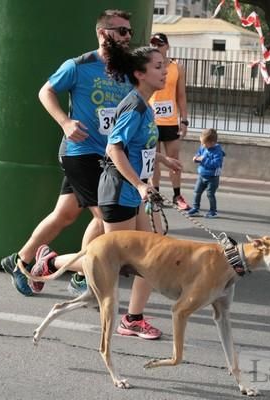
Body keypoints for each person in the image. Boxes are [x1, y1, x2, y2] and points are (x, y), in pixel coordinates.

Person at [0, 10, 133, 297]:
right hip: (81, 152)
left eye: (129, 32)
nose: (127, 37)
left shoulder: (125, 73)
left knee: (65, 214)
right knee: (104, 217)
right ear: (103, 33)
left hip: (107, 155)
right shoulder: (79, 65)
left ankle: (21, 260)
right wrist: (65, 122)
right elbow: (45, 92)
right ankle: (82, 273)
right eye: (121, 31)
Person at [97, 37, 181, 339]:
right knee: (109, 262)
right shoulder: (134, 106)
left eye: (166, 66)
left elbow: (136, 145)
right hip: (120, 191)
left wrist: (162, 159)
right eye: (158, 67)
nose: (165, 71)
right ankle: (50, 261)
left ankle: (132, 319)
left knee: (151, 255)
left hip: (133, 192)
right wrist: (140, 185)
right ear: (140, 74)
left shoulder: (146, 105)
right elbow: (114, 149)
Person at [147, 33, 190, 210]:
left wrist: (184, 120)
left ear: (167, 46)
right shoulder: (147, 66)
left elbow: (181, 95)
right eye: (154, 44)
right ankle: (155, 194)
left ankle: (177, 195)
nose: (157, 47)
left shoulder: (176, 67)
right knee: (153, 160)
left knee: (173, 159)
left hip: (171, 120)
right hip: (151, 120)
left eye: (160, 44)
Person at [186, 128, 225, 218]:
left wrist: (203, 159)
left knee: (210, 194)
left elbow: (216, 164)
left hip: (212, 177)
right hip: (202, 175)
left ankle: (213, 211)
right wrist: (196, 158)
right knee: (197, 191)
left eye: (204, 143)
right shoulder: (203, 147)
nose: (202, 145)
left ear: (212, 143)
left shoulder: (217, 151)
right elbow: (199, 153)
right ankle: (196, 208)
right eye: (201, 143)